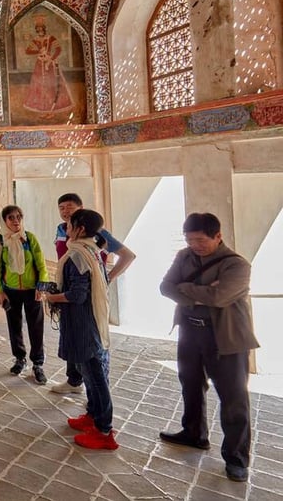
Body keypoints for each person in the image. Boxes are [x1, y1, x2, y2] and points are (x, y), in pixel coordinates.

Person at [158, 213, 258, 483]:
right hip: (190, 332)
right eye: (190, 239)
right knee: (190, 384)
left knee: (233, 398)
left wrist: (186, 288)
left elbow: (222, 296)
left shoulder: (237, 265)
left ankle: (237, 459)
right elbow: (166, 287)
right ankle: (194, 433)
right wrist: (197, 294)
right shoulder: (183, 256)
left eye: (201, 240)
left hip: (225, 338)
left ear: (218, 236)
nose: (195, 245)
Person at [42, 209, 118, 450]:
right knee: (88, 372)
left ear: (80, 229)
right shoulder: (94, 251)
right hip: (87, 320)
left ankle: (104, 430)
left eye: (70, 224)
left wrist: (52, 297)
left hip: (84, 324)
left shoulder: (79, 255)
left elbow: (77, 294)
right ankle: (93, 415)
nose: (67, 229)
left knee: (95, 376)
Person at [50, 192, 137, 395]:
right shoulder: (62, 230)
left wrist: (108, 278)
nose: (65, 211)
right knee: (72, 336)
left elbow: (127, 255)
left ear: (81, 208)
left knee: (89, 342)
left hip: (84, 296)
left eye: (70, 207)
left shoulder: (97, 233)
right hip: (69, 294)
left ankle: (96, 396)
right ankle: (74, 380)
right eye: (61, 208)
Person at [0, 205, 49, 384]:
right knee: (14, 326)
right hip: (11, 291)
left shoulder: (29, 239)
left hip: (33, 291)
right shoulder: (1, 241)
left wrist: (41, 286)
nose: (16, 221)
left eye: (18, 217)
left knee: (36, 327)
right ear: (4, 220)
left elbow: (41, 265)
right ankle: (19, 358)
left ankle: (37, 364)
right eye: (11, 218)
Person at [23, 13, 72, 114]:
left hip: (49, 64)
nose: (40, 31)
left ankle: (52, 109)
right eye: (38, 29)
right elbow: (27, 51)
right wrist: (38, 52)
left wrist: (51, 59)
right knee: (39, 86)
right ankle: (43, 109)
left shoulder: (51, 38)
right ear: (36, 30)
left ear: (44, 29)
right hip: (39, 64)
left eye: (41, 29)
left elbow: (58, 49)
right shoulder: (35, 40)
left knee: (52, 86)